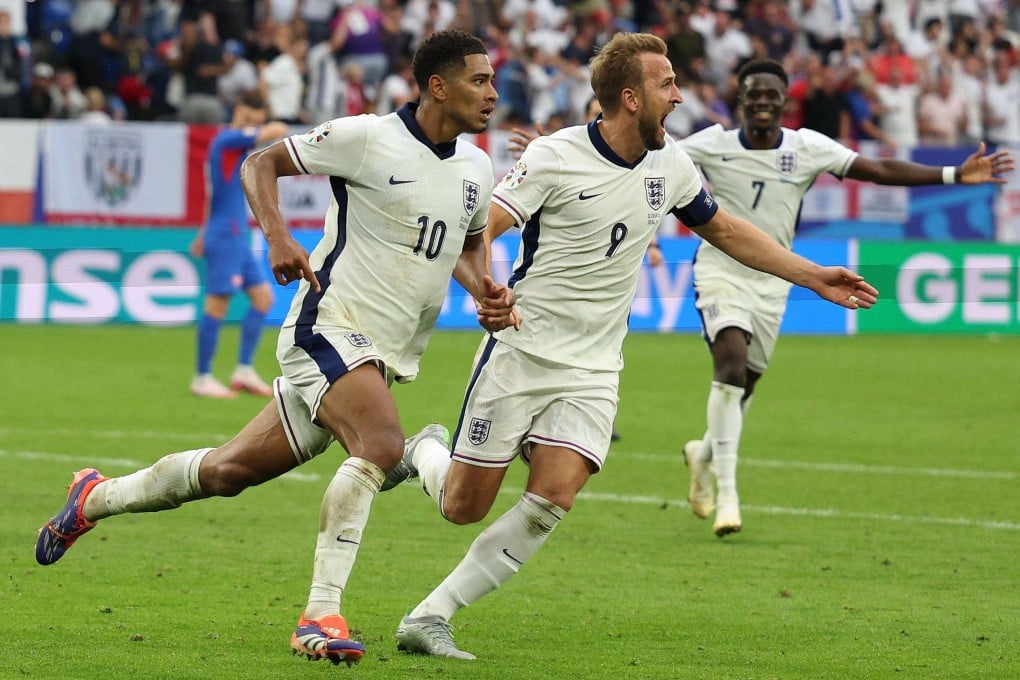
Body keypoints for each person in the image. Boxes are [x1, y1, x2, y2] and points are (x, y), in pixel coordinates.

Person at [386, 32, 879, 660]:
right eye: (666, 84)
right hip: (523, 351)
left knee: (552, 499)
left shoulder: (670, 163)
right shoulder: (556, 157)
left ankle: (432, 616)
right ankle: (426, 451)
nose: (679, 95)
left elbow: (724, 228)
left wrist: (813, 275)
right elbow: (478, 229)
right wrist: (488, 287)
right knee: (462, 505)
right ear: (629, 96)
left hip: (595, 365)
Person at [35, 29, 516, 667]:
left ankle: (93, 497)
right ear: (437, 86)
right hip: (328, 326)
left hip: (380, 355)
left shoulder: (476, 167)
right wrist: (277, 236)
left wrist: (485, 288)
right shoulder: (368, 138)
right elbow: (260, 161)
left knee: (225, 473)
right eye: (479, 80)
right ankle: (320, 615)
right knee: (379, 445)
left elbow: (464, 242)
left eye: (491, 81)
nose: (492, 92)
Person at [673, 59, 1014, 537]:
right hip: (721, 271)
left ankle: (703, 453)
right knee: (728, 368)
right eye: (754, 94)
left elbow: (875, 169)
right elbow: (651, 158)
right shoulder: (710, 144)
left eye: (773, 94)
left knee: (744, 386)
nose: (764, 102)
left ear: (785, 101)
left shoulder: (806, 146)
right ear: (741, 99)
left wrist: (953, 176)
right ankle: (728, 494)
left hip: (776, 279)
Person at [188, 90, 289, 399]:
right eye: (250, 113)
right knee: (217, 304)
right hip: (227, 235)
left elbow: (212, 195)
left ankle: (243, 369)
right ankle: (202, 376)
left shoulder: (233, 145)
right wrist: (259, 126)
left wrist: (202, 233)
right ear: (240, 110)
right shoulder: (228, 139)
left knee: (263, 299)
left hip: (235, 234)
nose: (255, 119)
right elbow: (277, 130)